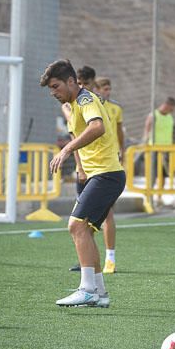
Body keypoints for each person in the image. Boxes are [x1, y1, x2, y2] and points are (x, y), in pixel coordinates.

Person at [41, 59, 125, 308]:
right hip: (101, 174)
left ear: (71, 82)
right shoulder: (74, 105)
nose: (54, 93)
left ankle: (86, 289)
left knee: (75, 226)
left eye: (56, 86)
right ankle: (99, 292)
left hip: (107, 174)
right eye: (51, 89)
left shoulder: (85, 100)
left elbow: (97, 127)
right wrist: (79, 165)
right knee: (85, 232)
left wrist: (66, 149)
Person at [95, 76, 124, 274]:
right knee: (82, 220)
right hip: (91, 165)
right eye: (104, 88)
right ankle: (88, 260)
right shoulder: (90, 107)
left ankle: (110, 258)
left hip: (109, 163)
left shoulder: (115, 109)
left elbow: (120, 132)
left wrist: (122, 149)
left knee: (107, 212)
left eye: (109, 88)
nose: (107, 92)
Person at [143, 97, 175, 192]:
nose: (172, 111)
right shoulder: (153, 115)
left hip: (166, 150)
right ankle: (150, 194)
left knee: (163, 175)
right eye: (171, 108)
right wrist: (145, 143)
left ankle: (159, 196)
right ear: (167, 105)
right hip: (154, 149)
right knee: (153, 174)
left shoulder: (170, 117)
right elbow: (147, 131)